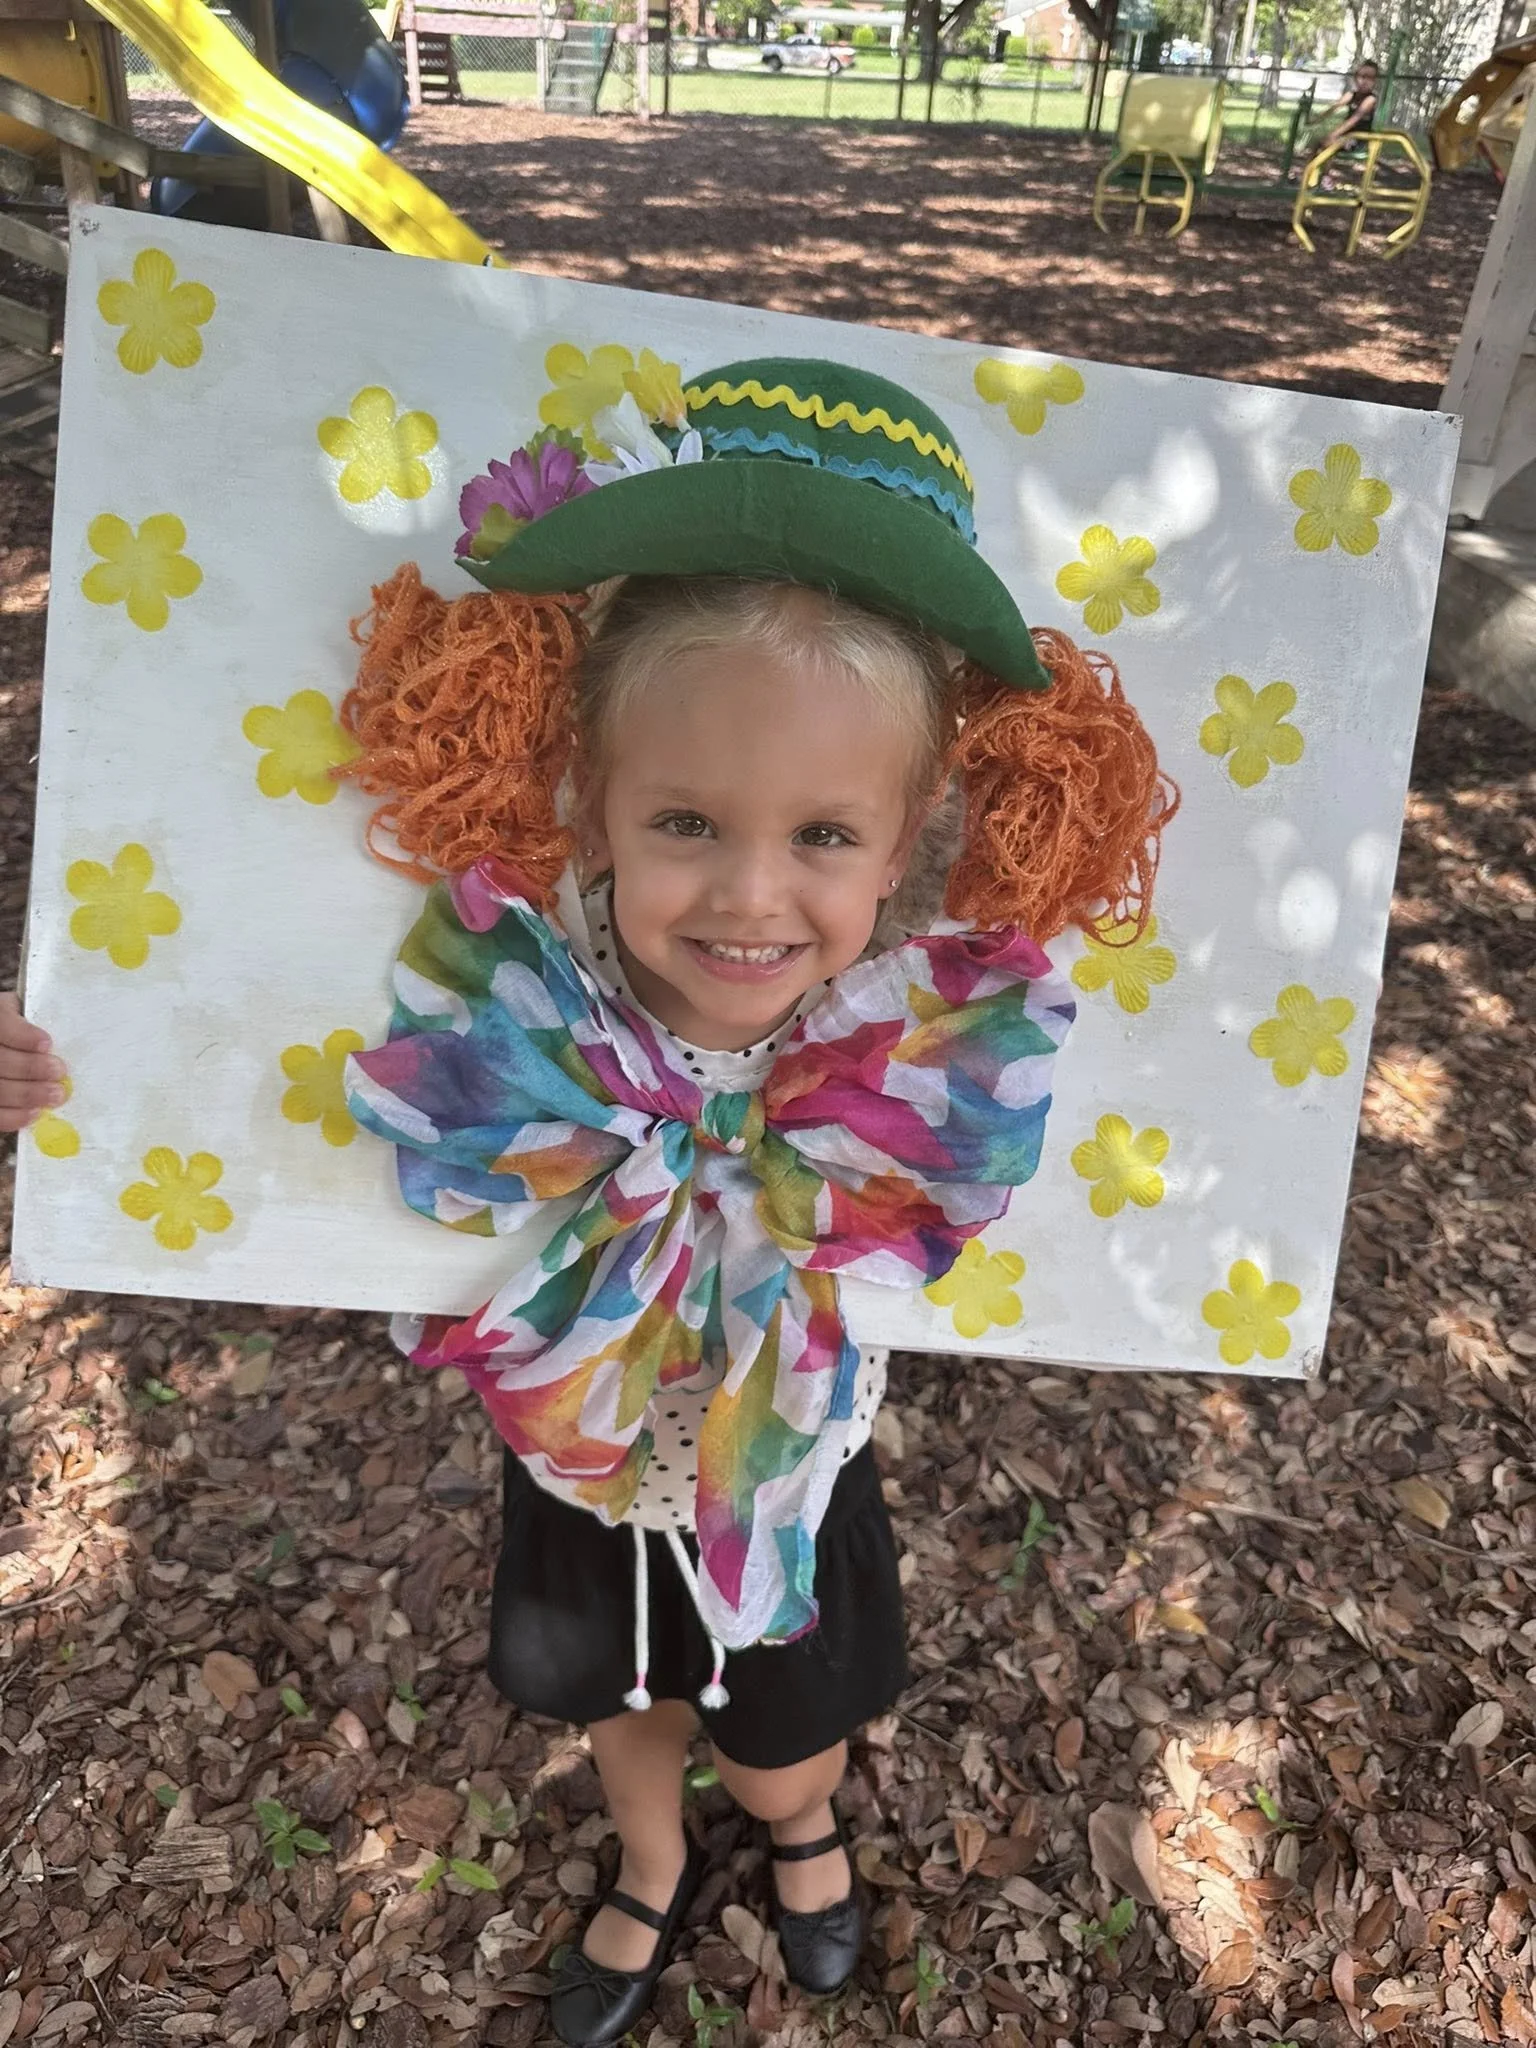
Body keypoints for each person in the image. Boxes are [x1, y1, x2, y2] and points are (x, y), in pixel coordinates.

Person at [3, 353, 1176, 2047]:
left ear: (908, 831)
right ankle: (644, 1852)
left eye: (824, 836)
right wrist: (81, 1062)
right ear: (593, 802)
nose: (750, 894)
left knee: (787, 1701)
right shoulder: (519, 994)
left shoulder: (920, 1031)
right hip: (580, 1446)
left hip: (795, 1444)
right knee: (611, 1684)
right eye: (688, 818)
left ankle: (798, 1822)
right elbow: (223, 1020)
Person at [1308, 58, 1379, 179]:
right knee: (1317, 142)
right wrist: (1316, 119)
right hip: (1346, 136)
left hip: (1359, 139)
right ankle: (1310, 177)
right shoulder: (1352, 95)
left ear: (1375, 81)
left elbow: (1354, 120)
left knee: (1329, 143)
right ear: (1356, 77)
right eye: (1362, 76)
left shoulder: (1370, 99)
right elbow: (1334, 107)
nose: (1365, 81)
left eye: (1370, 78)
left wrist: (1334, 134)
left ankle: (1326, 179)